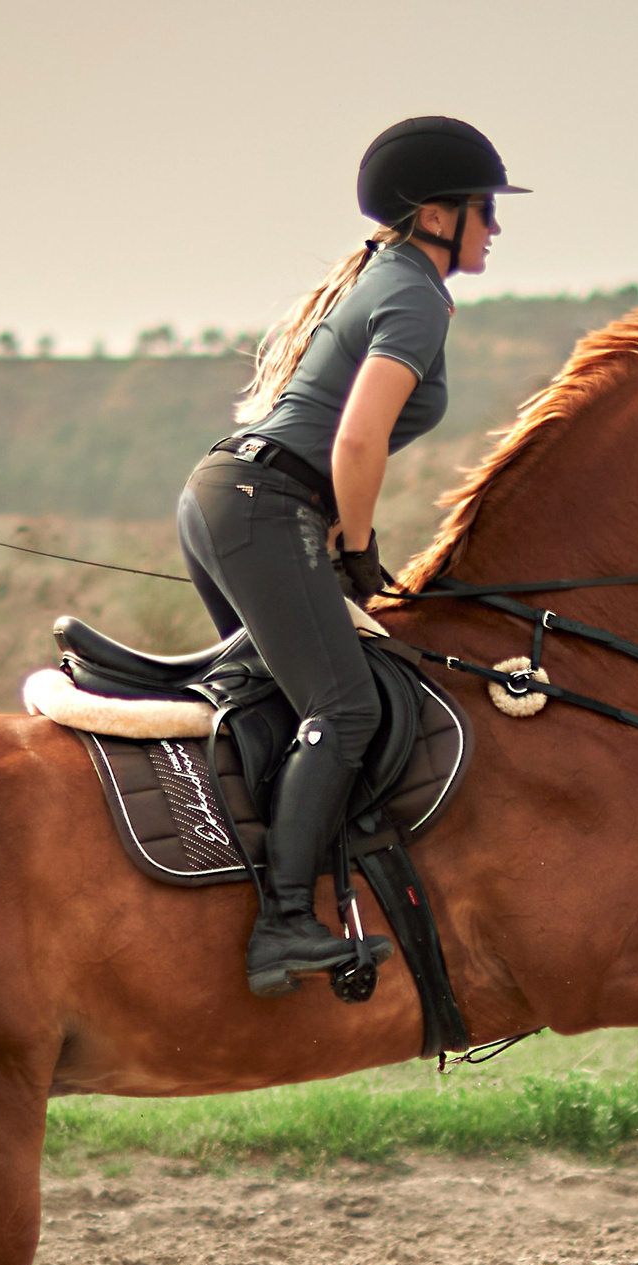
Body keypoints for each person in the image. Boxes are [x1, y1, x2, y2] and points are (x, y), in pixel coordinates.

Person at [176, 117, 525, 997]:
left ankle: (252, 889)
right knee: (345, 706)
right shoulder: (414, 294)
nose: (496, 226)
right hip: (265, 506)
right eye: (484, 208)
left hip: (233, 497)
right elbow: (358, 442)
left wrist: (342, 538)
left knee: (295, 702)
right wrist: (360, 548)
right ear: (436, 215)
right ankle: (285, 924)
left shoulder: (390, 276)